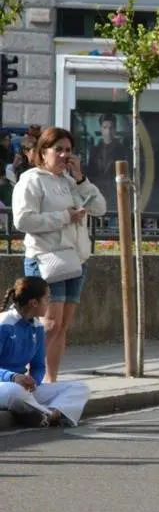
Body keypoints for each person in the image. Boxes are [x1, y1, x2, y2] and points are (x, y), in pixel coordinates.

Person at [12, 127, 107, 382]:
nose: (65, 155)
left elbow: (100, 208)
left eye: (68, 150)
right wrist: (64, 217)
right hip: (46, 258)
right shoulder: (32, 180)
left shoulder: (70, 181)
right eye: (59, 149)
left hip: (75, 260)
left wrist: (81, 179)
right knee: (49, 324)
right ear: (44, 152)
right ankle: (32, 376)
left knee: (62, 325)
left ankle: (51, 380)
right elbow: (22, 220)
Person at [0, 276, 91, 428]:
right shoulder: (4, 324)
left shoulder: (38, 327)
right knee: (15, 392)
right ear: (34, 303)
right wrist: (13, 377)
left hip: (22, 388)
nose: (49, 302)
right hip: (6, 386)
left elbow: (39, 365)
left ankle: (49, 414)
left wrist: (33, 382)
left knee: (80, 388)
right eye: (47, 298)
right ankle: (48, 415)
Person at [86, 114, 129, 201]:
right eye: (105, 127)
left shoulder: (123, 150)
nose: (108, 131)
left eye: (111, 128)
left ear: (115, 129)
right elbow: (90, 172)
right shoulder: (94, 150)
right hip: (97, 193)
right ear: (101, 129)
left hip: (116, 194)